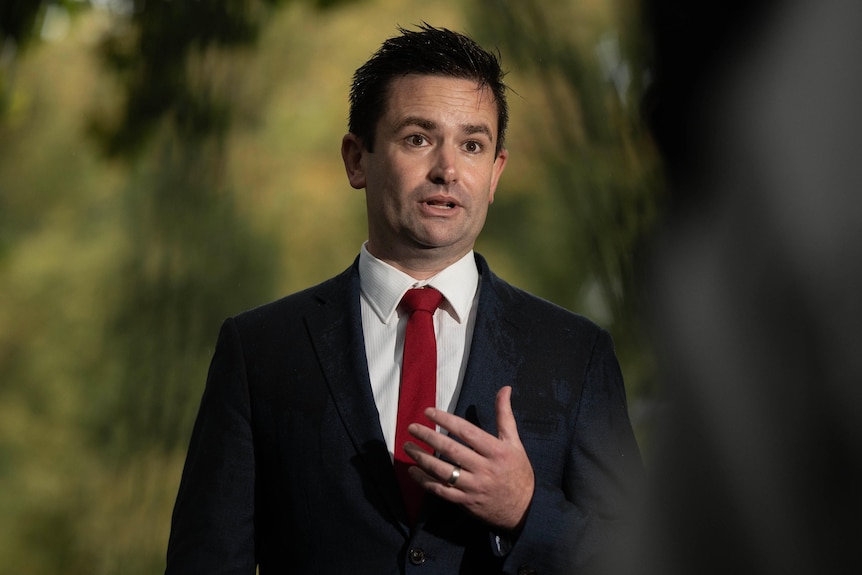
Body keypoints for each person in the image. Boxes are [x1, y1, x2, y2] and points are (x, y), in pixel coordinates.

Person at [165, 24, 643, 575]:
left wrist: (526, 511)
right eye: (417, 138)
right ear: (356, 159)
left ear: (495, 173)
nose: (447, 169)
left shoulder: (575, 355)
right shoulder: (258, 352)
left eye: (472, 144)